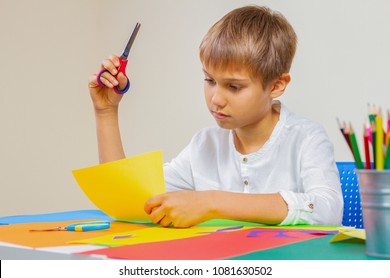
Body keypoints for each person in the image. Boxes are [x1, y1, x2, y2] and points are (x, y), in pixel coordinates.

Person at [88, 5, 343, 228]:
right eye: (210, 80)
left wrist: (212, 201)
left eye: (234, 86)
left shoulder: (306, 138)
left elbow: (326, 209)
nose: (216, 99)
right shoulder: (204, 146)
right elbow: (128, 199)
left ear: (277, 85)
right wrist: (106, 111)